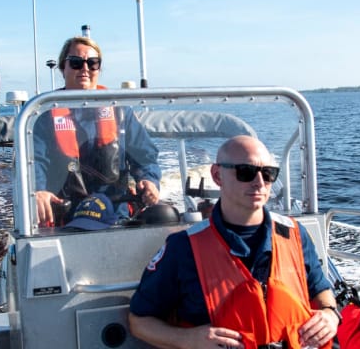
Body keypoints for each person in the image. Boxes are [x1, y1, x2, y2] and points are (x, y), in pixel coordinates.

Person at [128, 135, 340, 349]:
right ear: (217, 175)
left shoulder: (294, 235)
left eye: (268, 174)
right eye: (245, 172)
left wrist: (330, 314)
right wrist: (188, 339)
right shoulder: (183, 248)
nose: (259, 182)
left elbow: (320, 289)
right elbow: (139, 322)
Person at [33, 36, 161, 226]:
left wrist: (149, 181)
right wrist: (37, 191)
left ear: (98, 69)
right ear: (62, 68)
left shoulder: (120, 112)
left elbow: (144, 157)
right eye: (76, 63)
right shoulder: (44, 117)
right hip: (66, 218)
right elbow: (34, 162)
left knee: (165, 216)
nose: (85, 69)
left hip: (115, 214)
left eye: (92, 63)